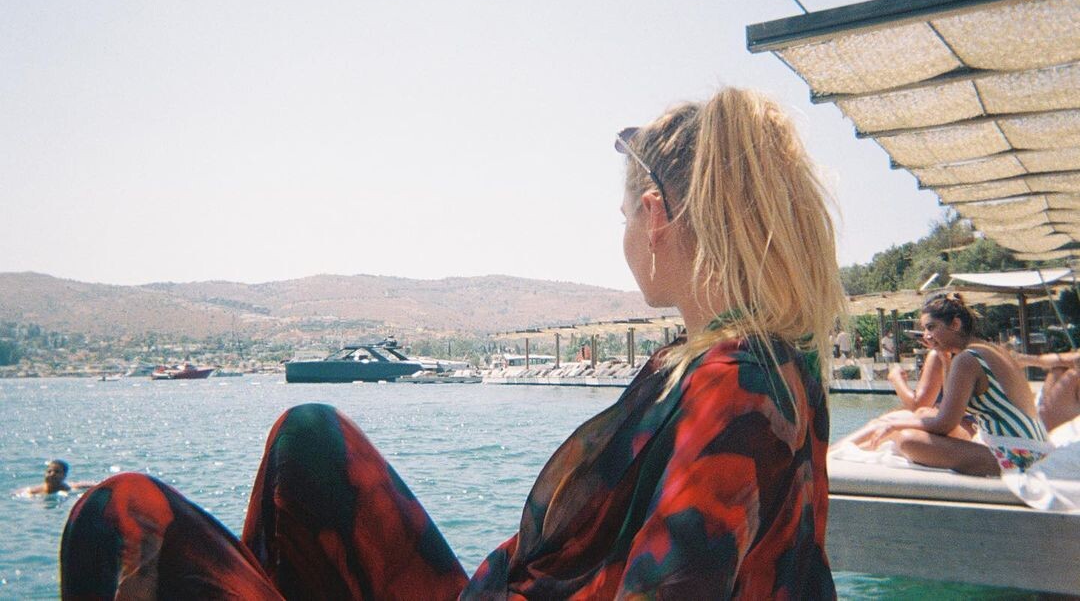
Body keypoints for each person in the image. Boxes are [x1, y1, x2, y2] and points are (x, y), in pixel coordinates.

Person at [60, 87, 846, 599]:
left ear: (655, 216)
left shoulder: (732, 387)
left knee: (117, 518)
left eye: (623, 220)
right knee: (309, 439)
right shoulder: (764, 368)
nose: (625, 238)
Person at [856, 293, 1073, 476]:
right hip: (1031, 447)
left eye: (931, 327)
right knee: (917, 419)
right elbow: (951, 407)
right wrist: (944, 359)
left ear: (955, 324)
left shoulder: (967, 359)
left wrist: (896, 425)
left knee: (908, 440)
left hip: (1018, 456)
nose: (927, 336)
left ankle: (855, 449)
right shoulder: (988, 349)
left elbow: (945, 424)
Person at [23, 460, 94, 496]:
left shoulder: (72, 488)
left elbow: (94, 485)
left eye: (57, 472)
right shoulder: (33, 491)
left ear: (64, 475)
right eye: (49, 472)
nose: (52, 474)